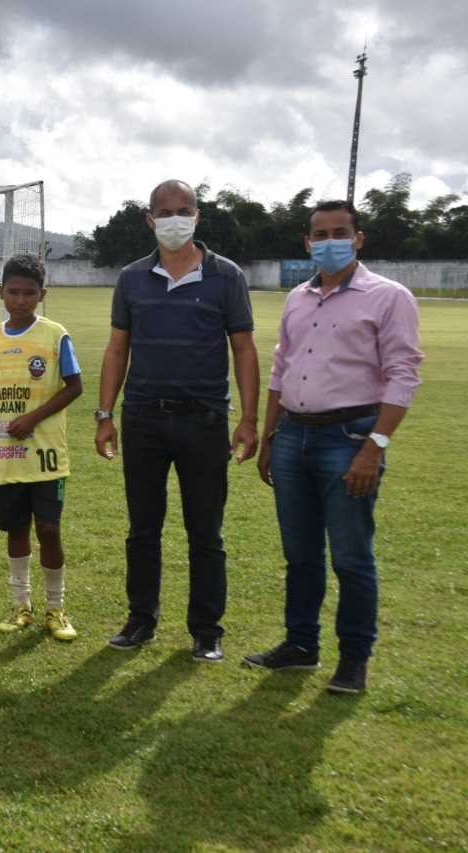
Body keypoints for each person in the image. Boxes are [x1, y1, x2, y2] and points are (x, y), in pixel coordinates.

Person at [244, 200, 423, 694]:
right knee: (300, 555)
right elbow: (282, 368)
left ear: (359, 238)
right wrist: (270, 435)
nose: (329, 241)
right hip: (293, 436)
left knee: (350, 556)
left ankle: (353, 660)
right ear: (306, 243)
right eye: (319, 234)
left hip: (349, 439)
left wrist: (374, 447)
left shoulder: (390, 298)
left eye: (339, 232)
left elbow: (403, 375)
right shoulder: (297, 298)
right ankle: (301, 645)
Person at [94, 179, 260, 663]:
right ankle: (140, 620)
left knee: (205, 531)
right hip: (143, 419)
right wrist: (105, 416)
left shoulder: (227, 277)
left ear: (197, 215)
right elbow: (117, 348)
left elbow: (244, 349)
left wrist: (248, 420)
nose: (173, 219)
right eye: (163, 212)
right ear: (149, 219)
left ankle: (206, 630)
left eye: (182, 210)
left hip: (204, 421)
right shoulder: (131, 279)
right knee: (142, 528)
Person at [0, 253, 82, 639]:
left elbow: (75, 387)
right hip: (5, 455)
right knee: (15, 529)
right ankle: (21, 605)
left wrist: (32, 418)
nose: (21, 300)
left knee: (49, 529)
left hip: (46, 456)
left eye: (30, 293)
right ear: (0, 292)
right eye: (14, 292)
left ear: (42, 294)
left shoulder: (55, 335)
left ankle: (57, 609)